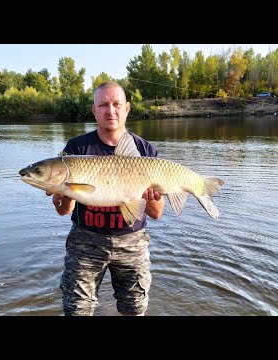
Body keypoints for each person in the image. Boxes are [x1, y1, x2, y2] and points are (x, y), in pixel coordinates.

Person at [46, 81, 165, 316]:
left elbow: (156, 212)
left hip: (132, 242)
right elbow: (63, 210)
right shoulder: (76, 148)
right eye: (103, 105)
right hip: (86, 241)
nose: (111, 111)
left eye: (116, 104)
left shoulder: (145, 151)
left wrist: (151, 195)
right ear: (94, 110)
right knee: (77, 310)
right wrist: (62, 192)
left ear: (127, 108)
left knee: (134, 310)